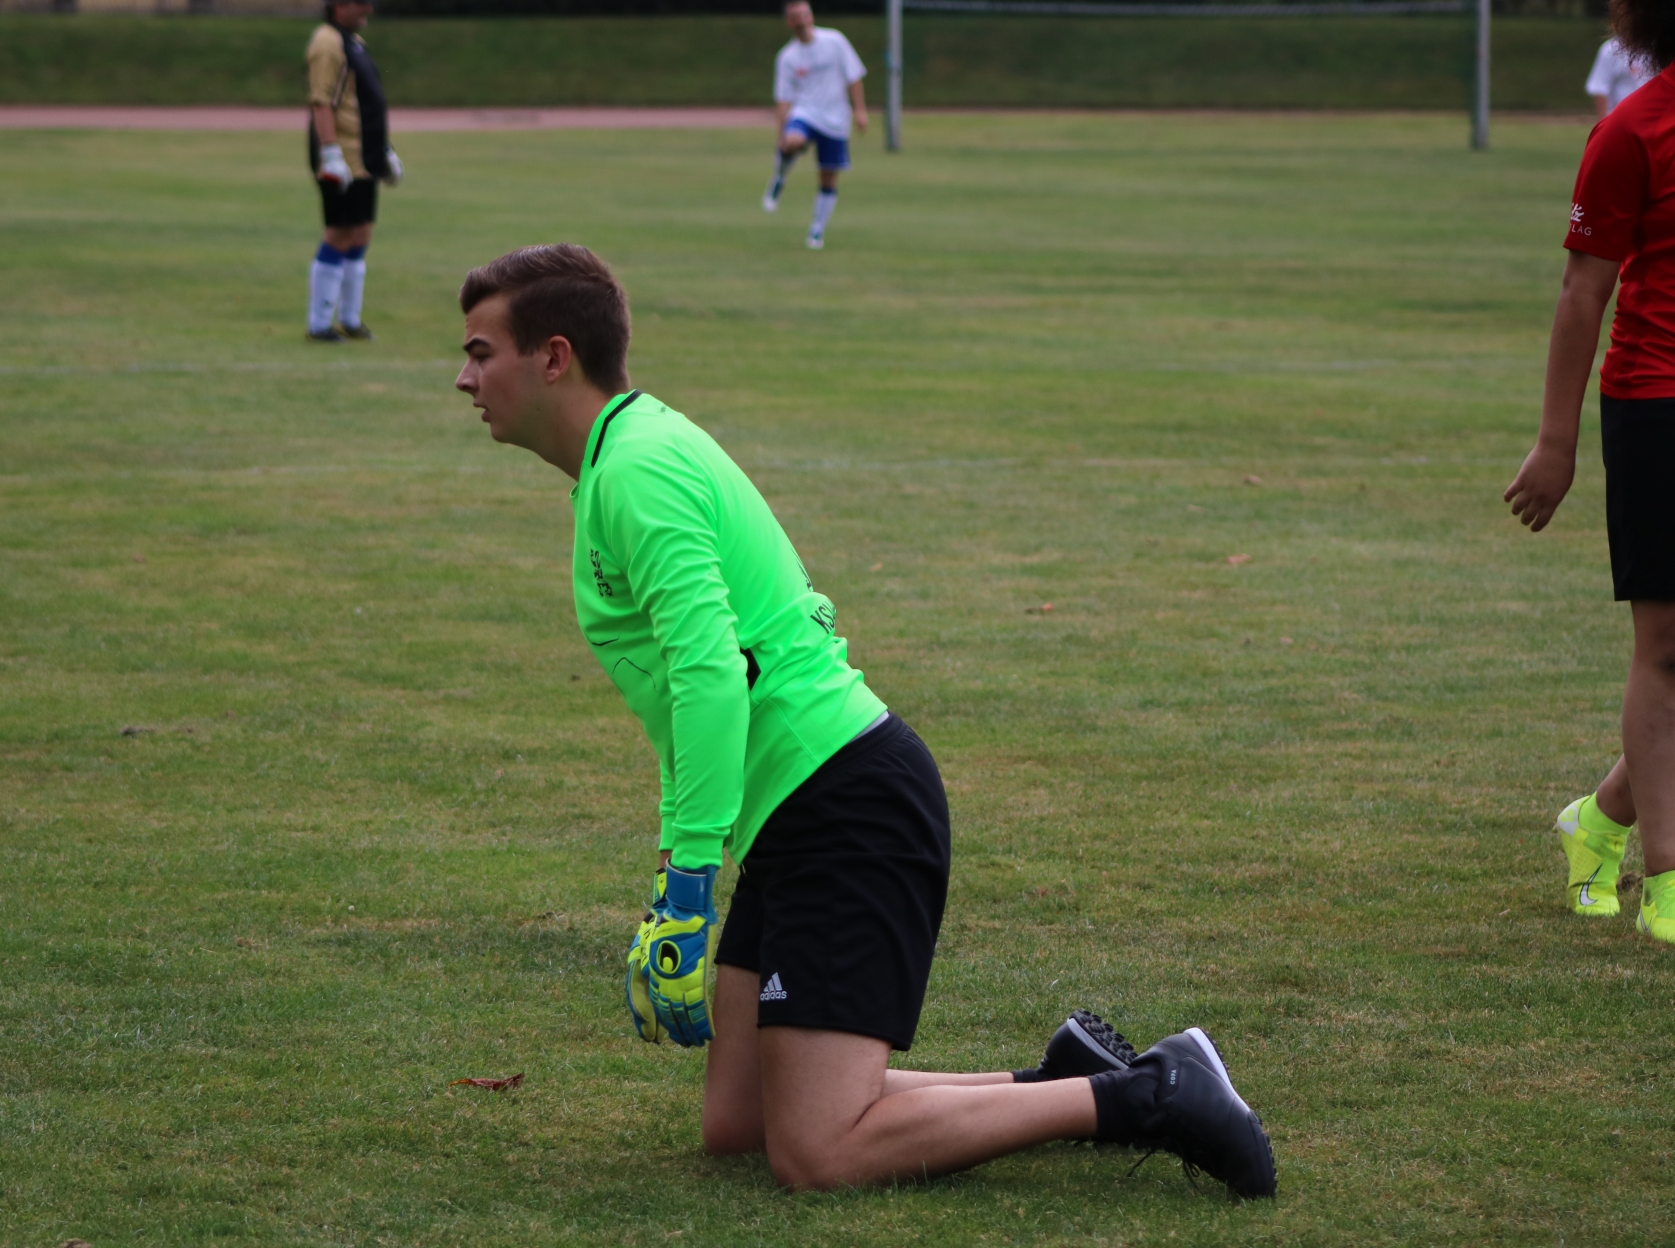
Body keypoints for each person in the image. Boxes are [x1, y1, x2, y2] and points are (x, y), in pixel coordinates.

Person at [453, 242, 1277, 1196]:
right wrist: (675, 870)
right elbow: (687, 698)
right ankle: (1069, 1080)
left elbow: (712, 676)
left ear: (554, 357)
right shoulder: (621, 460)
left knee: (819, 1152)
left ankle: (1154, 1095)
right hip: (799, 812)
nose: (465, 379)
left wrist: (690, 885)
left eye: (481, 352)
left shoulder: (637, 468)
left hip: (843, 803)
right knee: (741, 1122)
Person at [1505, 0, 1675, 944]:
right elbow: (1583, 291)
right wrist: (1556, 442)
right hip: (1658, 401)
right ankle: (1668, 883)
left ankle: (1602, 817)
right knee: (1667, 645)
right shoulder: (1631, 131)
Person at [303, 0, 400, 343]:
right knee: (339, 232)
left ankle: (349, 318)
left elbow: (362, 102)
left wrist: (384, 151)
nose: (367, 10)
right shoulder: (327, 43)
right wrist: (330, 154)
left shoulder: (353, 42)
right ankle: (319, 324)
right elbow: (321, 101)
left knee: (361, 231)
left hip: (364, 156)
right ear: (338, 6)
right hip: (343, 157)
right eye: (361, 3)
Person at [761, 0, 867, 251]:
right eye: (795, 16)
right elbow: (784, 98)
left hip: (836, 118)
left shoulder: (835, 41)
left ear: (811, 16)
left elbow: (854, 76)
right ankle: (779, 178)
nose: (801, 21)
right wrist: (781, 133)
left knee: (828, 177)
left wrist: (860, 110)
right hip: (806, 112)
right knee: (792, 141)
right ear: (788, 22)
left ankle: (817, 229)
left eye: (804, 14)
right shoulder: (787, 57)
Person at [1587, 35, 1654, 118]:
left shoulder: (1656, 49)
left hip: (1650, 117)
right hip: (1620, 118)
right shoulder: (1610, 49)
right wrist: (1603, 121)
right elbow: (1599, 88)